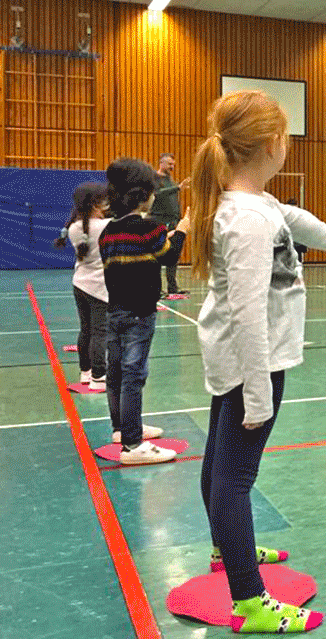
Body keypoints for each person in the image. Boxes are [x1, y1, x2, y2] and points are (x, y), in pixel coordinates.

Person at [188, 90, 326, 634]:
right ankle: (249, 600)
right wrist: (258, 392)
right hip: (250, 364)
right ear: (271, 144)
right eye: (286, 136)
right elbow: (247, 312)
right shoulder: (247, 221)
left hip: (239, 363)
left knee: (220, 463)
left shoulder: (254, 205)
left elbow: (295, 218)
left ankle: (227, 551)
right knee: (234, 479)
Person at [99, 158, 189, 465]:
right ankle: (133, 445)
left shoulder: (108, 232)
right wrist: (181, 231)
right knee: (134, 375)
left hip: (115, 312)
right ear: (144, 196)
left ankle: (122, 428)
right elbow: (169, 256)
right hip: (139, 313)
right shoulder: (150, 228)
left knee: (117, 371)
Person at [55, 182, 111, 392]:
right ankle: (99, 376)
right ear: (94, 203)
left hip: (80, 283)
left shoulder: (73, 227)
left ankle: (85, 372)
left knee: (85, 329)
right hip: (98, 287)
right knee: (100, 332)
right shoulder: (104, 226)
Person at [150, 152, 190, 298]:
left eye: (173, 164)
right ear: (161, 163)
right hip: (159, 221)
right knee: (157, 255)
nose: (172, 166)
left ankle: (173, 288)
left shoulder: (170, 180)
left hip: (173, 221)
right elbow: (157, 194)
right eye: (169, 164)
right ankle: (156, 288)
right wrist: (178, 188)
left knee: (173, 254)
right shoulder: (154, 178)